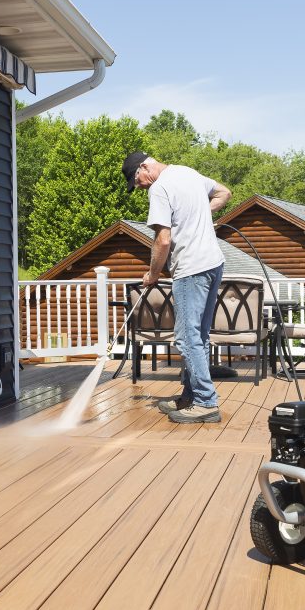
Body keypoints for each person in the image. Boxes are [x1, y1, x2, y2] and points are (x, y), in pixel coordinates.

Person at [122, 151, 232, 423]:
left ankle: (206, 402)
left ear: (144, 167)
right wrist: (200, 214)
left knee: (185, 337)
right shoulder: (187, 172)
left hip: (191, 268)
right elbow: (224, 193)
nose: (140, 187)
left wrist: (152, 273)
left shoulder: (159, 189)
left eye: (137, 181)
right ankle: (190, 396)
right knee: (199, 336)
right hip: (213, 264)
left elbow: (162, 240)